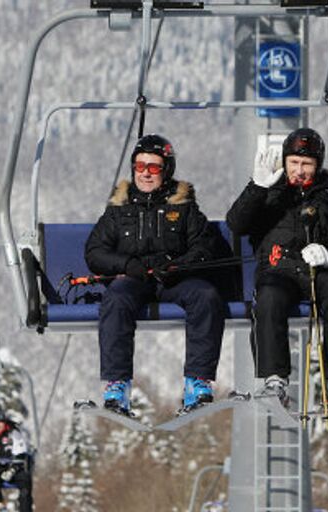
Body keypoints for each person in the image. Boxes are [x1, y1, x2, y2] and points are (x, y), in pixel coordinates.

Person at [226, 128, 328, 409]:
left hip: (319, 271)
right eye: (293, 163)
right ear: (285, 161)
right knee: (268, 298)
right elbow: (237, 224)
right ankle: (274, 380)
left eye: (306, 165)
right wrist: (257, 187)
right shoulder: (269, 193)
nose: (299, 171)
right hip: (278, 271)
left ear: (317, 166)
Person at [85, 134, 226, 415]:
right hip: (135, 280)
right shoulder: (119, 209)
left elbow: (204, 247)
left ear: (167, 169)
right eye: (140, 166)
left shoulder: (183, 207)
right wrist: (126, 265)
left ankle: (197, 382)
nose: (146, 174)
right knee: (116, 299)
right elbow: (95, 253)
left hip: (175, 280)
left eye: (154, 167)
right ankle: (117, 385)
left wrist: (177, 265)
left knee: (206, 295)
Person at [0, 410, 33, 512]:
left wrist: (12, 470)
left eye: (0, 422)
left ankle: (25, 508)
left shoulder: (13, 434)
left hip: (14, 469)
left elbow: (21, 454)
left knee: (25, 479)